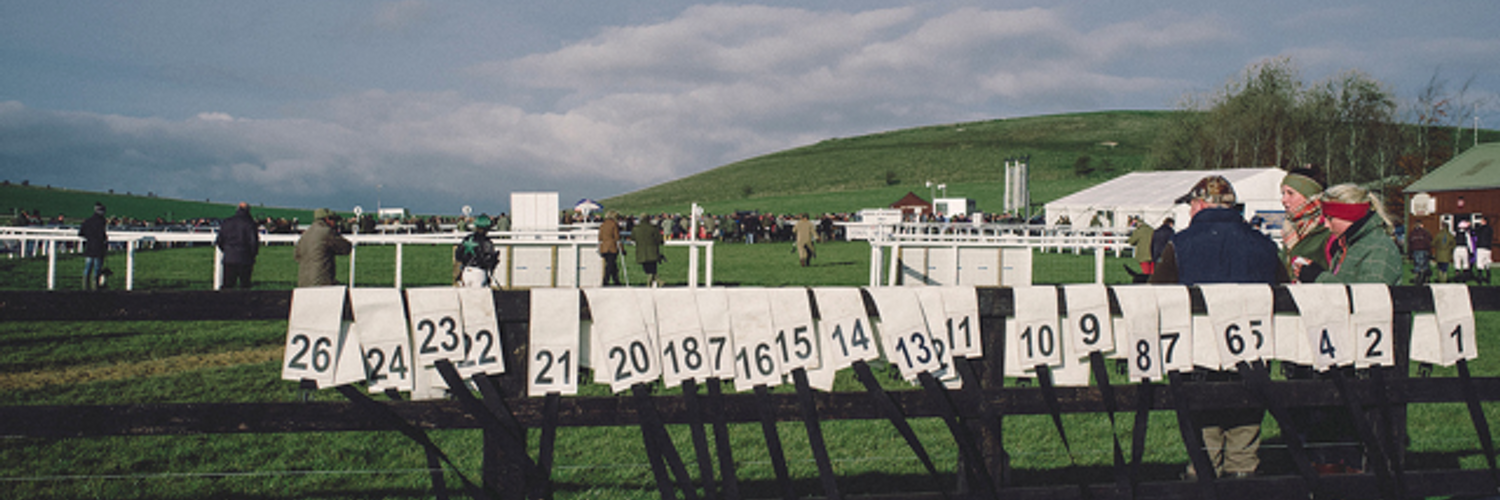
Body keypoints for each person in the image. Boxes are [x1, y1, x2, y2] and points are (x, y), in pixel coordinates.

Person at [1151, 175, 1285, 479]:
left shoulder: (1180, 244)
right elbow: (1283, 291)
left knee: (1204, 427)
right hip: (1252, 350)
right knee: (1245, 427)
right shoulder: (1264, 245)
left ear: (1199, 204)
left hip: (1199, 352)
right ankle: (1243, 477)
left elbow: (1155, 293)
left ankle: (1203, 478)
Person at [1280, 168, 1331, 280]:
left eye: (1290, 193)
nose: (1283, 200)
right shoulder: (1289, 230)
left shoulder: (1328, 230)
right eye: (1283, 193)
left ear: (1310, 195)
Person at [294, 208, 353, 287]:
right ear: (327, 219)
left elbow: (297, 256)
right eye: (334, 220)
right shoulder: (327, 232)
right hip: (322, 283)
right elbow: (346, 248)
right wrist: (337, 234)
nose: (335, 223)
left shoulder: (305, 234)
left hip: (303, 283)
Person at [215, 202, 260, 289]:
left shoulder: (227, 222)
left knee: (228, 285)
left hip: (229, 258)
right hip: (245, 258)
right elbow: (253, 242)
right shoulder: (250, 223)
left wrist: (227, 250)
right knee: (245, 286)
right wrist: (252, 254)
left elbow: (220, 241)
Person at [454, 215, 499, 288]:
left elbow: (458, 255)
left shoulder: (467, 239)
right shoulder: (487, 242)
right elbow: (488, 260)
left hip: (466, 272)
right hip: (479, 273)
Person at [78, 202, 108, 290]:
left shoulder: (88, 221)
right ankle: (95, 287)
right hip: (99, 247)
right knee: (97, 269)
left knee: (87, 268)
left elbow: (81, 233)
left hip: (89, 247)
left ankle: (85, 287)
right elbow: (102, 235)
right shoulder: (101, 222)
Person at [633, 215, 665, 287]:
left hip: (641, 252)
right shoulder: (653, 228)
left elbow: (633, 238)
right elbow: (659, 239)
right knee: (652, 268)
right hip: (653, 251)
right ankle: (657, 281)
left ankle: (654, 282)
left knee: (648, 269)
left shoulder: (636, 229)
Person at [598, 211, 624, 286]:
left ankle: (616, 280)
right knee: (611, 264)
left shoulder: (602, 225)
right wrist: (622, 249)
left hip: (604, 247)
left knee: (612, 264)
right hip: (612, 247)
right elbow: (617, 237)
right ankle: (606, 280)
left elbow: (600, 237)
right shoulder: (614, 224)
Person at [1474, 215, 1494, 285]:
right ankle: (1488, 277)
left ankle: (1480, 278)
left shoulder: (1480, 229)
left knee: (1480, 263)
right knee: (1487, 263)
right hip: (1488, 248)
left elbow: (1475, 233)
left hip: (1481, 247)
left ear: (1484, 221)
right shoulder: (1490, 229)